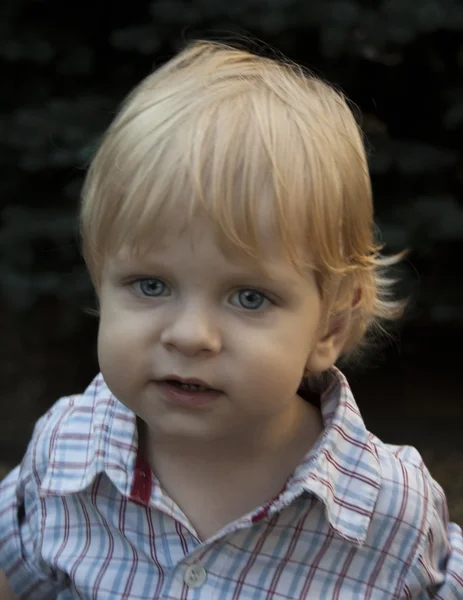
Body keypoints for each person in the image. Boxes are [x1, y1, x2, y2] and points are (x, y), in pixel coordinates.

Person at [0, 40, 461, 600]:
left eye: (248, 297)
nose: (190, 335)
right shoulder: (63, 455)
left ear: (331, 327)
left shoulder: (391, 513)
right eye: (151, 285)